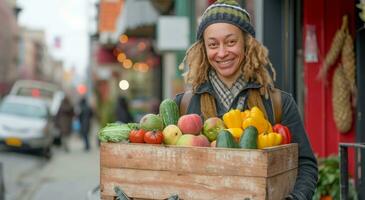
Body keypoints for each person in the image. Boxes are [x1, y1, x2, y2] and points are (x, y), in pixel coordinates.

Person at [174, 0, 318, 199]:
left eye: (231, 42)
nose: (222, 52)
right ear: (204, 50)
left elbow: (306, 165)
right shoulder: (184, 105)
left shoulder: (277, 102)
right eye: (213, 45)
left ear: (247, 43)